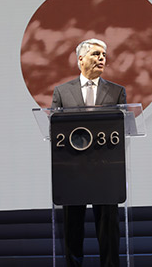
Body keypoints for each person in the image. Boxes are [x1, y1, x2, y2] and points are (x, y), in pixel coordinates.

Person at [52, 38, 127, 267]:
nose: (101, 58)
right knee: (72, 231)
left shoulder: (117, 92)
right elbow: (55, 131)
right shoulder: (62, 93)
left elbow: (120, 130)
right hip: (73, 172)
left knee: (108, 232)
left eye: (104, 54)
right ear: (80, 59)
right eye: (95, 54)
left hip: (106, 172)